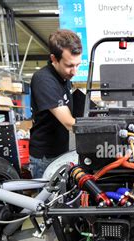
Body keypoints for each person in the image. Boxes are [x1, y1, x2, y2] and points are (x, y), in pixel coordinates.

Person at [29, 29, 82, 178]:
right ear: (54, 59)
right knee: (49, 201)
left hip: (60, 151)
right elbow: (68, 123)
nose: (74, 71)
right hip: (45, 158)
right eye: (69, 65)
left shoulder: (64, 78)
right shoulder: (44, 80)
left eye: (78, 65)